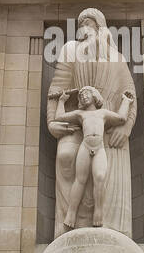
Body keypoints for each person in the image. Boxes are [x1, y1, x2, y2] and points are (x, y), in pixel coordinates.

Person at [46, 8, 137, 238]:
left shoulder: (116, 57)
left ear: (100, 27)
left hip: (108, 127)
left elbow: (130, 94)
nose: (84, 28)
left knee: (101, 174)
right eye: (81, 24)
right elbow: (57, 89)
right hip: (78, 123)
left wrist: (126, 128)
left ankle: (107, 225)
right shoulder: (70, 50)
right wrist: (51, 121)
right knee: (66, 155)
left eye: (89, 23)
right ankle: (70, 224)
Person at [54, 87, 135, 228]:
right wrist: (61, 101)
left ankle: (98, 212)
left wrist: (126, 102)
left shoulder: (102, 113)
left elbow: (121, 118)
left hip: (99, 147)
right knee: (80, 179)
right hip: (85, 146)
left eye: (87, 94)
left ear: (94, 96)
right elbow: (59, 117)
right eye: (81, 96)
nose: (84, 97)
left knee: (99, 177)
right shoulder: (80, 114)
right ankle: (71, 214)